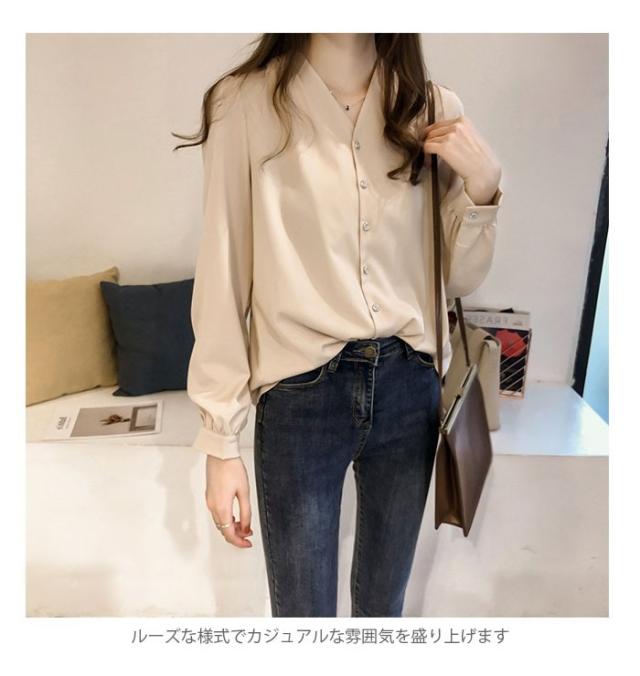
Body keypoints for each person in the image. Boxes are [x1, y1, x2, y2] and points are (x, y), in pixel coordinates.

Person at [174, 33, 503, 617]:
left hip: (410, 388)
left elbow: (456, 279)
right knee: (303, 617)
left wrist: (483, 185)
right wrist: (220, 440)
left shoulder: (430, 107)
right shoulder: (244, 104)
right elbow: (224, 272)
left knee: (383, 609)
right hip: (301, 394)